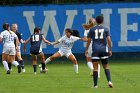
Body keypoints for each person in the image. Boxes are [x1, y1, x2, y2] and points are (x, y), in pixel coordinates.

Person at [85, 15, 113, 88]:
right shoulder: (106, 29)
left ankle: (95, 85)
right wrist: (110, 49)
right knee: (106, 67)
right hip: (104, 50)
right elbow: (109, 40)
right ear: (102, 21)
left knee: (95, 68)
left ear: (96, 21)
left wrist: (86, 50)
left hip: (95, 50)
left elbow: (89, 41)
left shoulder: (92, 29)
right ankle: (109, 81)